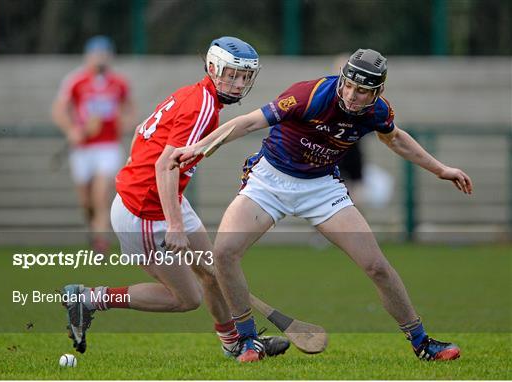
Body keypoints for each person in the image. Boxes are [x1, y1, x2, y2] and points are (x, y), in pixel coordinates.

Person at [171, 48, 473, 363]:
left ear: (377, 92)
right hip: (269, 181)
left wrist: (441, 169)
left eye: (362, 91)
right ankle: (248, 341)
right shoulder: (309, 95)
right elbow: (248, 123)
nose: (352, 96)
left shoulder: (378, 112)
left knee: (377, 266)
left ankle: (422, 342)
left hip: (321, 187)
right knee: (224, 252)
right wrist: (200, 147)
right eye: (349, 86)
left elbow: (395, 139)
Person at [61, 36, 290, 360]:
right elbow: (165, 163)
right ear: (212, 68)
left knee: (214, 271)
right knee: (186, 298)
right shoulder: (203, 107)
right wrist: (175, 225)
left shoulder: (194, 95)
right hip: (144, 212)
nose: (238, 84)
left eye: (244, 77)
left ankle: (236, 345)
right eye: (231, 74)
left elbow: (142, 130)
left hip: (164, 200)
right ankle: (88, 299)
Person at [52, 35, 136, 252]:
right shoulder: (76, 81)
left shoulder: (119, 83)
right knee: (86, 202)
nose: (100, 59)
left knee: (101, 195)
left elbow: (131, 111)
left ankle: (101, 243)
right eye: (96, 54)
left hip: (107, 146)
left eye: (104, 54)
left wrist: (123, 124)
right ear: (88, 56)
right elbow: (59, 111)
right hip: (83, 150)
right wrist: (72, 130)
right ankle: (94, 228)